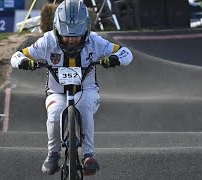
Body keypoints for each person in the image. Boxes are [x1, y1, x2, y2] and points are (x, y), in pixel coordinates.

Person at [10, 0, 133, 176]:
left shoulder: (95, 41)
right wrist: (23, 62)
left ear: (86, 31)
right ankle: (52, 154)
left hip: (87, 90)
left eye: (76, 36)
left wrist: (114, 59)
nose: (71, 41)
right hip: (57, 92)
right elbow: (17, 55)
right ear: (57, 30)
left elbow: (126, 53)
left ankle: (89, 155)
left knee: (84, 107)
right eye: (66, 36)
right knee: (54, 114)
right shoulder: (47, 41)